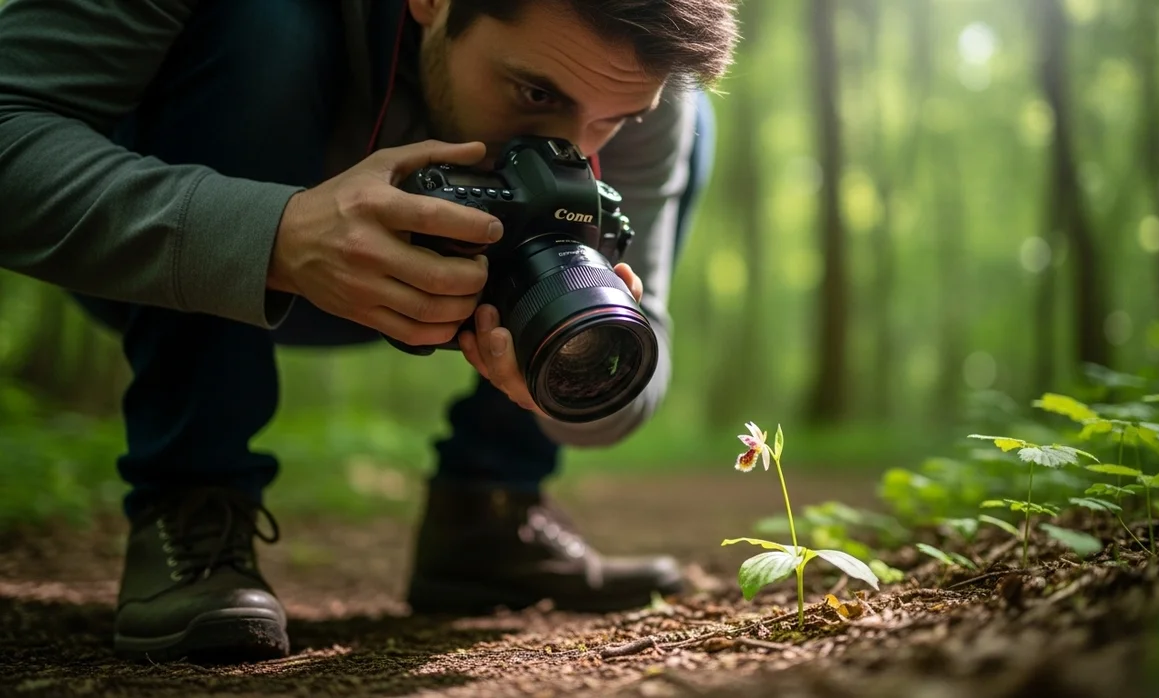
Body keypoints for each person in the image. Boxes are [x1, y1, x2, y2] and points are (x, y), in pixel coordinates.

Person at [0, 0, 738, 662]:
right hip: (166, 262)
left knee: (691, 114)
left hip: (432, 294)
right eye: (535, 94)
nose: (568, 157)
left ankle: (491, 512)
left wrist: (575, 379)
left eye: (612, 121)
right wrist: (276, 236)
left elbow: (639, 378)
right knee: (263, 19)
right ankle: (191, 499)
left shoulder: (636, 72)